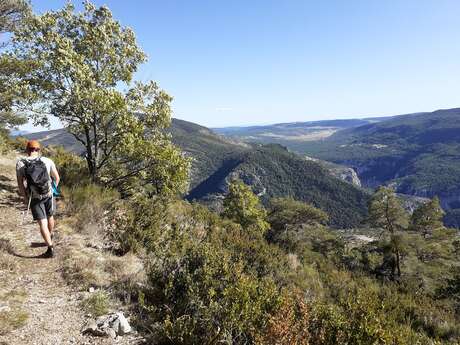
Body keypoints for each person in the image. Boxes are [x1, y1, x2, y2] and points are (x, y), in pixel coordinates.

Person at [16, 140, 60, 258]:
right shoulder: (47, 160)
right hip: (49, 194)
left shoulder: (21, 163)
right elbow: (56, 177)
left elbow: (20, 184)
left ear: (27, 150)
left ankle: (50, 248)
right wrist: (53, 190)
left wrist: (25, 198)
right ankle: (49, 236)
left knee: (42, 223)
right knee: (50, 216)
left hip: (34, 197)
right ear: (39, 150)